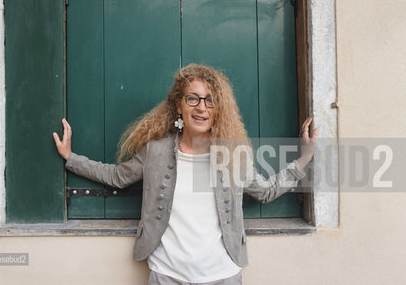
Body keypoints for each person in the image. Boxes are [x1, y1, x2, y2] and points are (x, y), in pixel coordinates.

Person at [53, 63, 319, 285]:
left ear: (219, 109)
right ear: (179, 106)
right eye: (192, 98)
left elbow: (265, 191)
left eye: (210, 100)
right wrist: (71, 158)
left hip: (222, 275)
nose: (201, 107)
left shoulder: (234, 155)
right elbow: (116, 177)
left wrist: (304, 158)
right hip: (167, 275)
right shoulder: (155, 150)